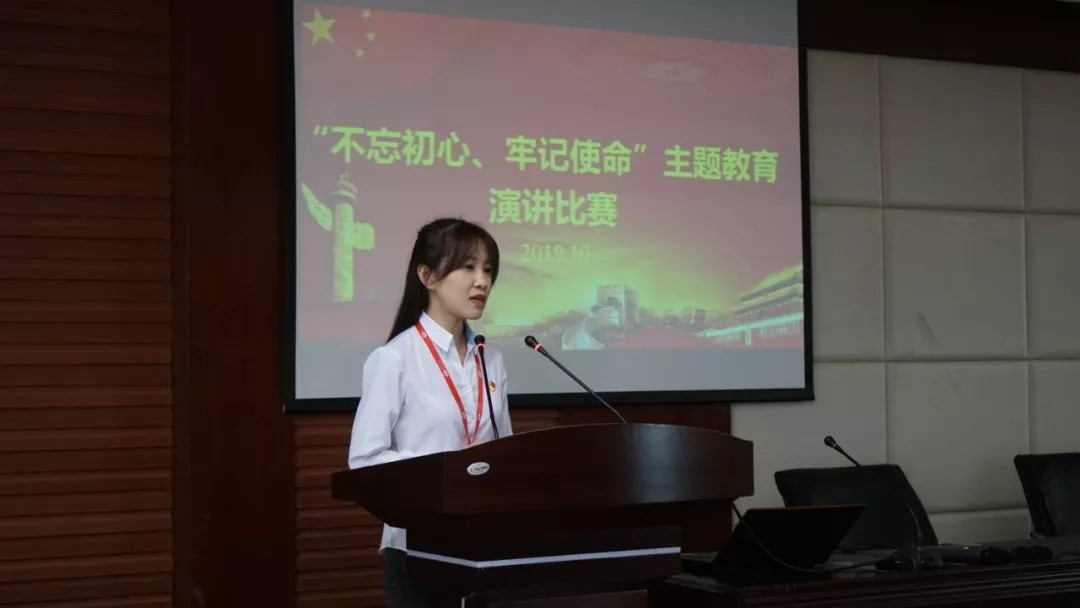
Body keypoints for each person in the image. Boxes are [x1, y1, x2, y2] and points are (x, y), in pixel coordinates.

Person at [347, 217, 513, 608]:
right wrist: (442, 472)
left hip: (483, 543)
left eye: (488, 270)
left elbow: (504, 450)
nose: (482, 282)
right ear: (427, 276)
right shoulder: (394, 359)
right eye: (468, 267)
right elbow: (364, 460)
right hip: (419, 549)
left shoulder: (491, 359)